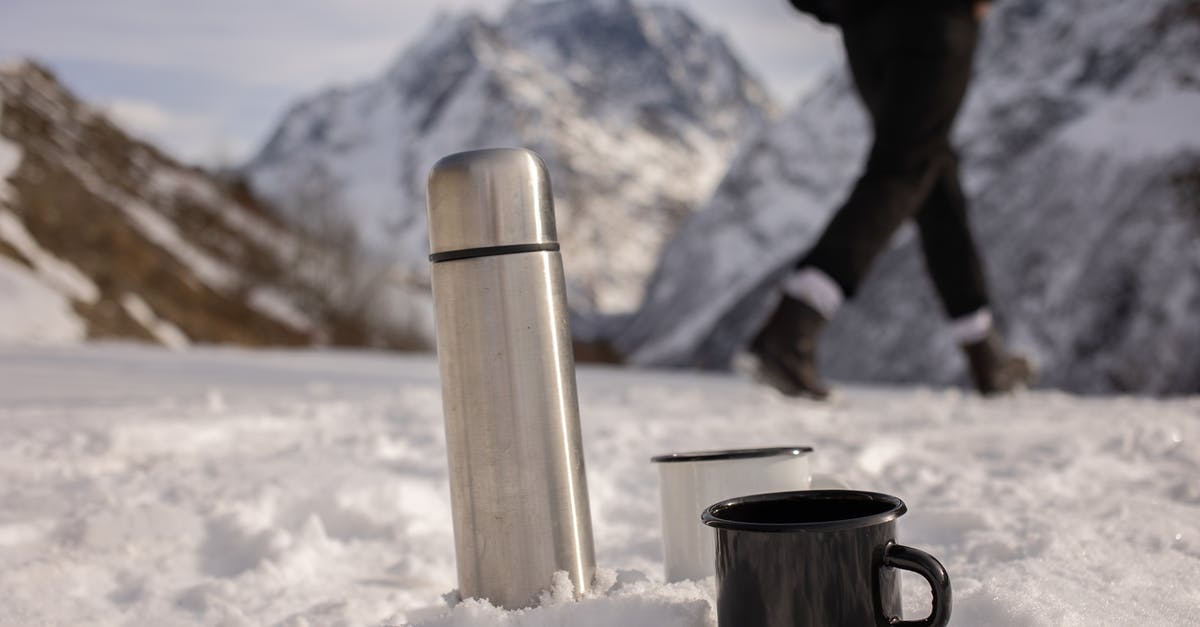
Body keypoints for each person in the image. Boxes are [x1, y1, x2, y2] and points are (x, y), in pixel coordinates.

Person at [749, 0, 1034, 399]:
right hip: (935, 18)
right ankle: (795, 323)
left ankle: (983, 349)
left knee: (932, 174)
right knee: (902, 170)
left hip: (865, 31)